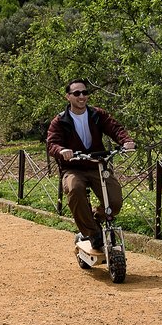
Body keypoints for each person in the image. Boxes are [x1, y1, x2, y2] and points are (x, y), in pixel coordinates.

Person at [46, 78, 136, 250]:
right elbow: (52, 143)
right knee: (74, 189)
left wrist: (126, 141)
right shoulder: (60, 121)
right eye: (77, 93)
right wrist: (62, 151)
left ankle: (94, 220)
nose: (82, 96)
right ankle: (93, 233)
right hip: (74, 167)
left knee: (114, 201)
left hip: (97, 165)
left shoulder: (97, 114)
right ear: (68, 97)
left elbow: (115, 128)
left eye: (85, 92)